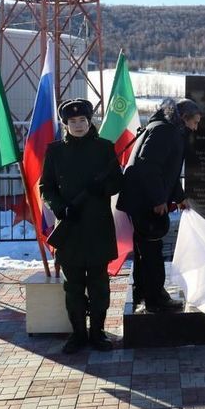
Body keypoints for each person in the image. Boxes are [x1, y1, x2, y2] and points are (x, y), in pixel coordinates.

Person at [40, 98, 123, 354]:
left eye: (82, 120)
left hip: (97, 228)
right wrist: (60, 208)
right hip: (71, 229)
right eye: (72, 121)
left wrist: (104, 188)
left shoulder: (104, 148)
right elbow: (47, 187)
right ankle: (78, 335)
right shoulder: (55, 151)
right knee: (73, 286)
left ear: (90, 122)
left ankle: (97, 333)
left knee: (99, 286)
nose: (78, 125)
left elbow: (118, 182)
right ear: (65, 124)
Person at [117, 97, 201, 312]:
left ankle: (143, 291)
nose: (196, 127)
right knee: (152, 249)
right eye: (195, 122)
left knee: (145, 247)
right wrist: (158, 200)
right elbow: (149, 167)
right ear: (183, 117)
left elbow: (167, 172)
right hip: (146, 201)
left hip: (141, 198)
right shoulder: (166, 132)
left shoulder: (162, 127)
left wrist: (179, 198)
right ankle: (156, 298)